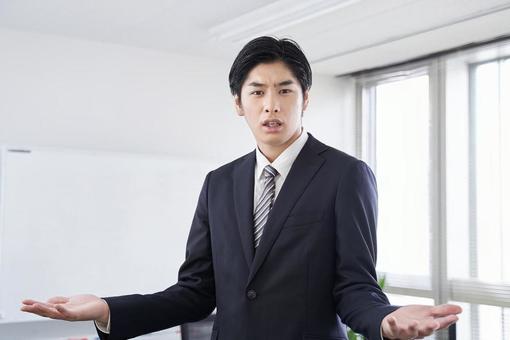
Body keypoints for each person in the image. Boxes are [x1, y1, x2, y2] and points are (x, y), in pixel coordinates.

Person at [21, 36, 461, 340]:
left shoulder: (346, 175)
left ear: (305, 98)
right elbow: (195, 292)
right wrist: (105, 308)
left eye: (285, 90)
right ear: (238, 103)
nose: (271, 104)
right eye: (257, 92)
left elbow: (354, 286)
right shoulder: (219, 183)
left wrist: (384, 321)